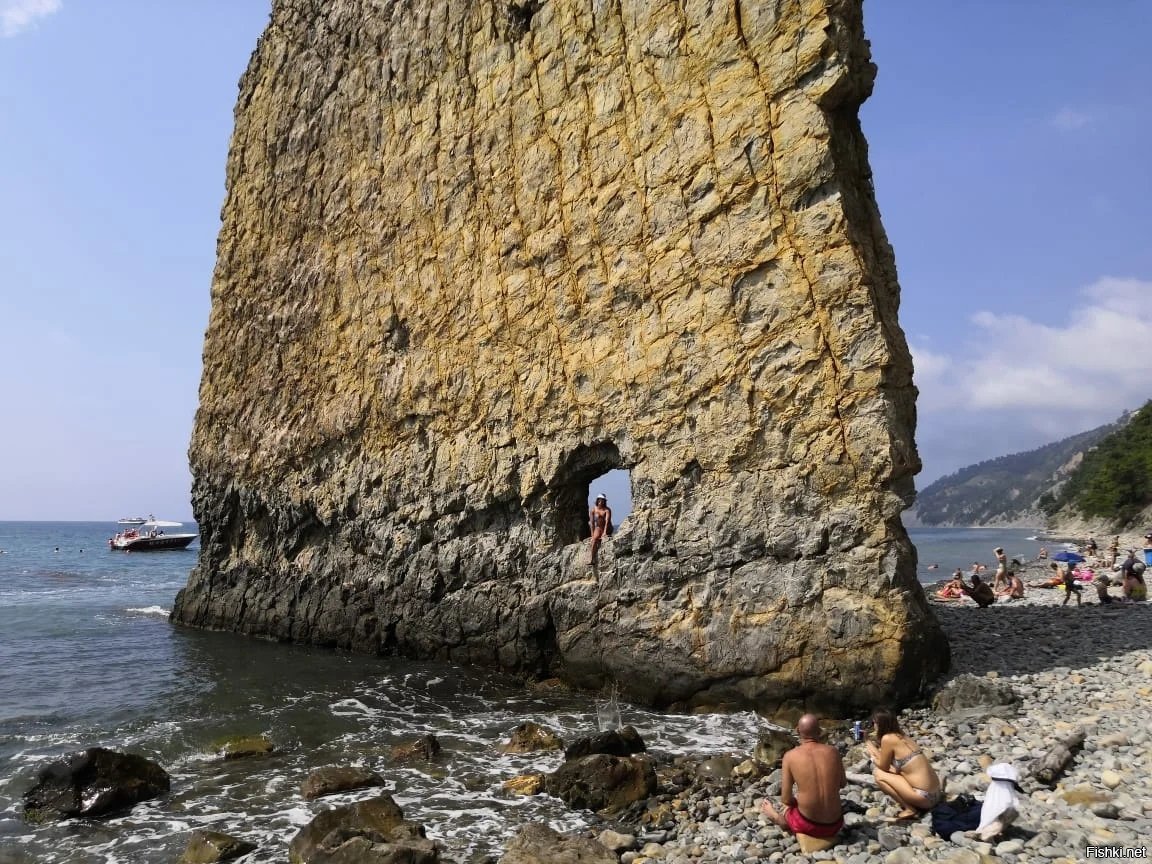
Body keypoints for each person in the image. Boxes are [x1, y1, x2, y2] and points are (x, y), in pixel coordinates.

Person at [760, 714, 845, 838]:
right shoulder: (833, 752)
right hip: (835, 824)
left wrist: (797, 803)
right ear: (819, 731)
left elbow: (786, 799)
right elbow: (842, 783)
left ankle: (773, 815)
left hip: (808, 825)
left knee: (787, 810)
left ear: (797, 731)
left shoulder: (790, 756)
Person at [866, 707, 943, 819]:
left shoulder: (887, 739)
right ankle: (913, 806)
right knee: (894, 772)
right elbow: (892, 766)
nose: (873, 725)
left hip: (924, 798)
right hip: (936, 794)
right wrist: (867, 742)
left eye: (874, 722)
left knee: (878, 774)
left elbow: (883, 766)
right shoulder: (901, 735)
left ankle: (909, 809)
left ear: (879, 724)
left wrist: (872, 759)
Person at [588, 493, 613, 566]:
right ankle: (592, 559)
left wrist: (605, 532)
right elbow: (592, 523)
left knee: (602, 537)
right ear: (597, 500)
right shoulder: (593, 510)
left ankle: (604, 533)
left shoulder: (607, 510)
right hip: (598, 527)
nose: (601, 502)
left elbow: (607, 521)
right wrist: (592, 535)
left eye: (603, 500)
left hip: (607, 527)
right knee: (595, 539)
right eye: (600, 500)